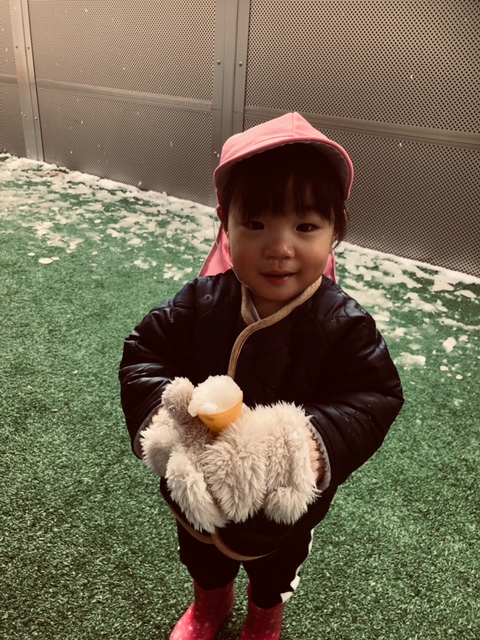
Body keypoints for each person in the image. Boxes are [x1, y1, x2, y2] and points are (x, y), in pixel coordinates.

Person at [119, 112, 404, 640]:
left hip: (285, 502)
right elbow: (144, 354)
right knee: (200, 552)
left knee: (277, 569)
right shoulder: (200, 302)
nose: (279, 247)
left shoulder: (344, 323)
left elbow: (374, 396)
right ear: (225, 223)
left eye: (305, 227)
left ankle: (265, 616)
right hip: (199, 488)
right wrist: (165, 420)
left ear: (336, 229)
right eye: (256, 224)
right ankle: (210, 602)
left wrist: (307, 444)